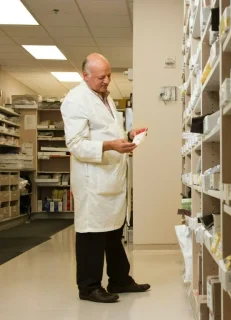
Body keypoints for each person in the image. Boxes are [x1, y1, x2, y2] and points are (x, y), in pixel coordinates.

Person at [61, 53, 150, 303]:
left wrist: (129, 135)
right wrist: (111, 146)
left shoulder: (104, 97)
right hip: (93, 181)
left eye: (109, 75)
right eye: (101, 77)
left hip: (111, 178)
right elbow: (76, 144)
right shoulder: (75, 100)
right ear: (85, 75)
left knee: (113, 232)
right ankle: (88, 287)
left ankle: (120, 279)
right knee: (91, 234)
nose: (107, 80)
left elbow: (108, 131)